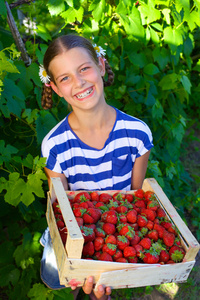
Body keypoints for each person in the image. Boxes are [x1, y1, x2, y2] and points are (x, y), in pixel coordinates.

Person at [39, 34, 154, 300]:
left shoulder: (137, 133)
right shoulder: (55, 145)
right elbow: (61, 209)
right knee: (57, 275)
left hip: (118, 226)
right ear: (55, 88)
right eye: (65, 78)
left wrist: (112, 250)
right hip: (77, 229)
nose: (79, 82)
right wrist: (80, 260)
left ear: (101, 66)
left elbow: (137, 198)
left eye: (84, 69)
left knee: (101, 291)